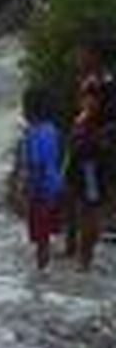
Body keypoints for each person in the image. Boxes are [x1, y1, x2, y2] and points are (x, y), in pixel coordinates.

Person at [66, 43, 112, 271]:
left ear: (94, 56)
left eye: (82, 53)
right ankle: (78, 253)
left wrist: (79, 127)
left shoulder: (95, 85)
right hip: (90, 154)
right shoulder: (103, 81)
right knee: (83, 201)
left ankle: (85, 261)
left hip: (90, 156)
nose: (77, 57)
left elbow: (88, 115)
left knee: (89, 205)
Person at [22, 86, 64, 271]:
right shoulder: (52, 130)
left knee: (41, 236)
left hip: (41, 189)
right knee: (44, 235)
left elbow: (36, 164)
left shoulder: (35, 131)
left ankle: (41, 271)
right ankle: (44, 269)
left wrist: (29, 190)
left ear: (31, 109)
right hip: (53, 187)